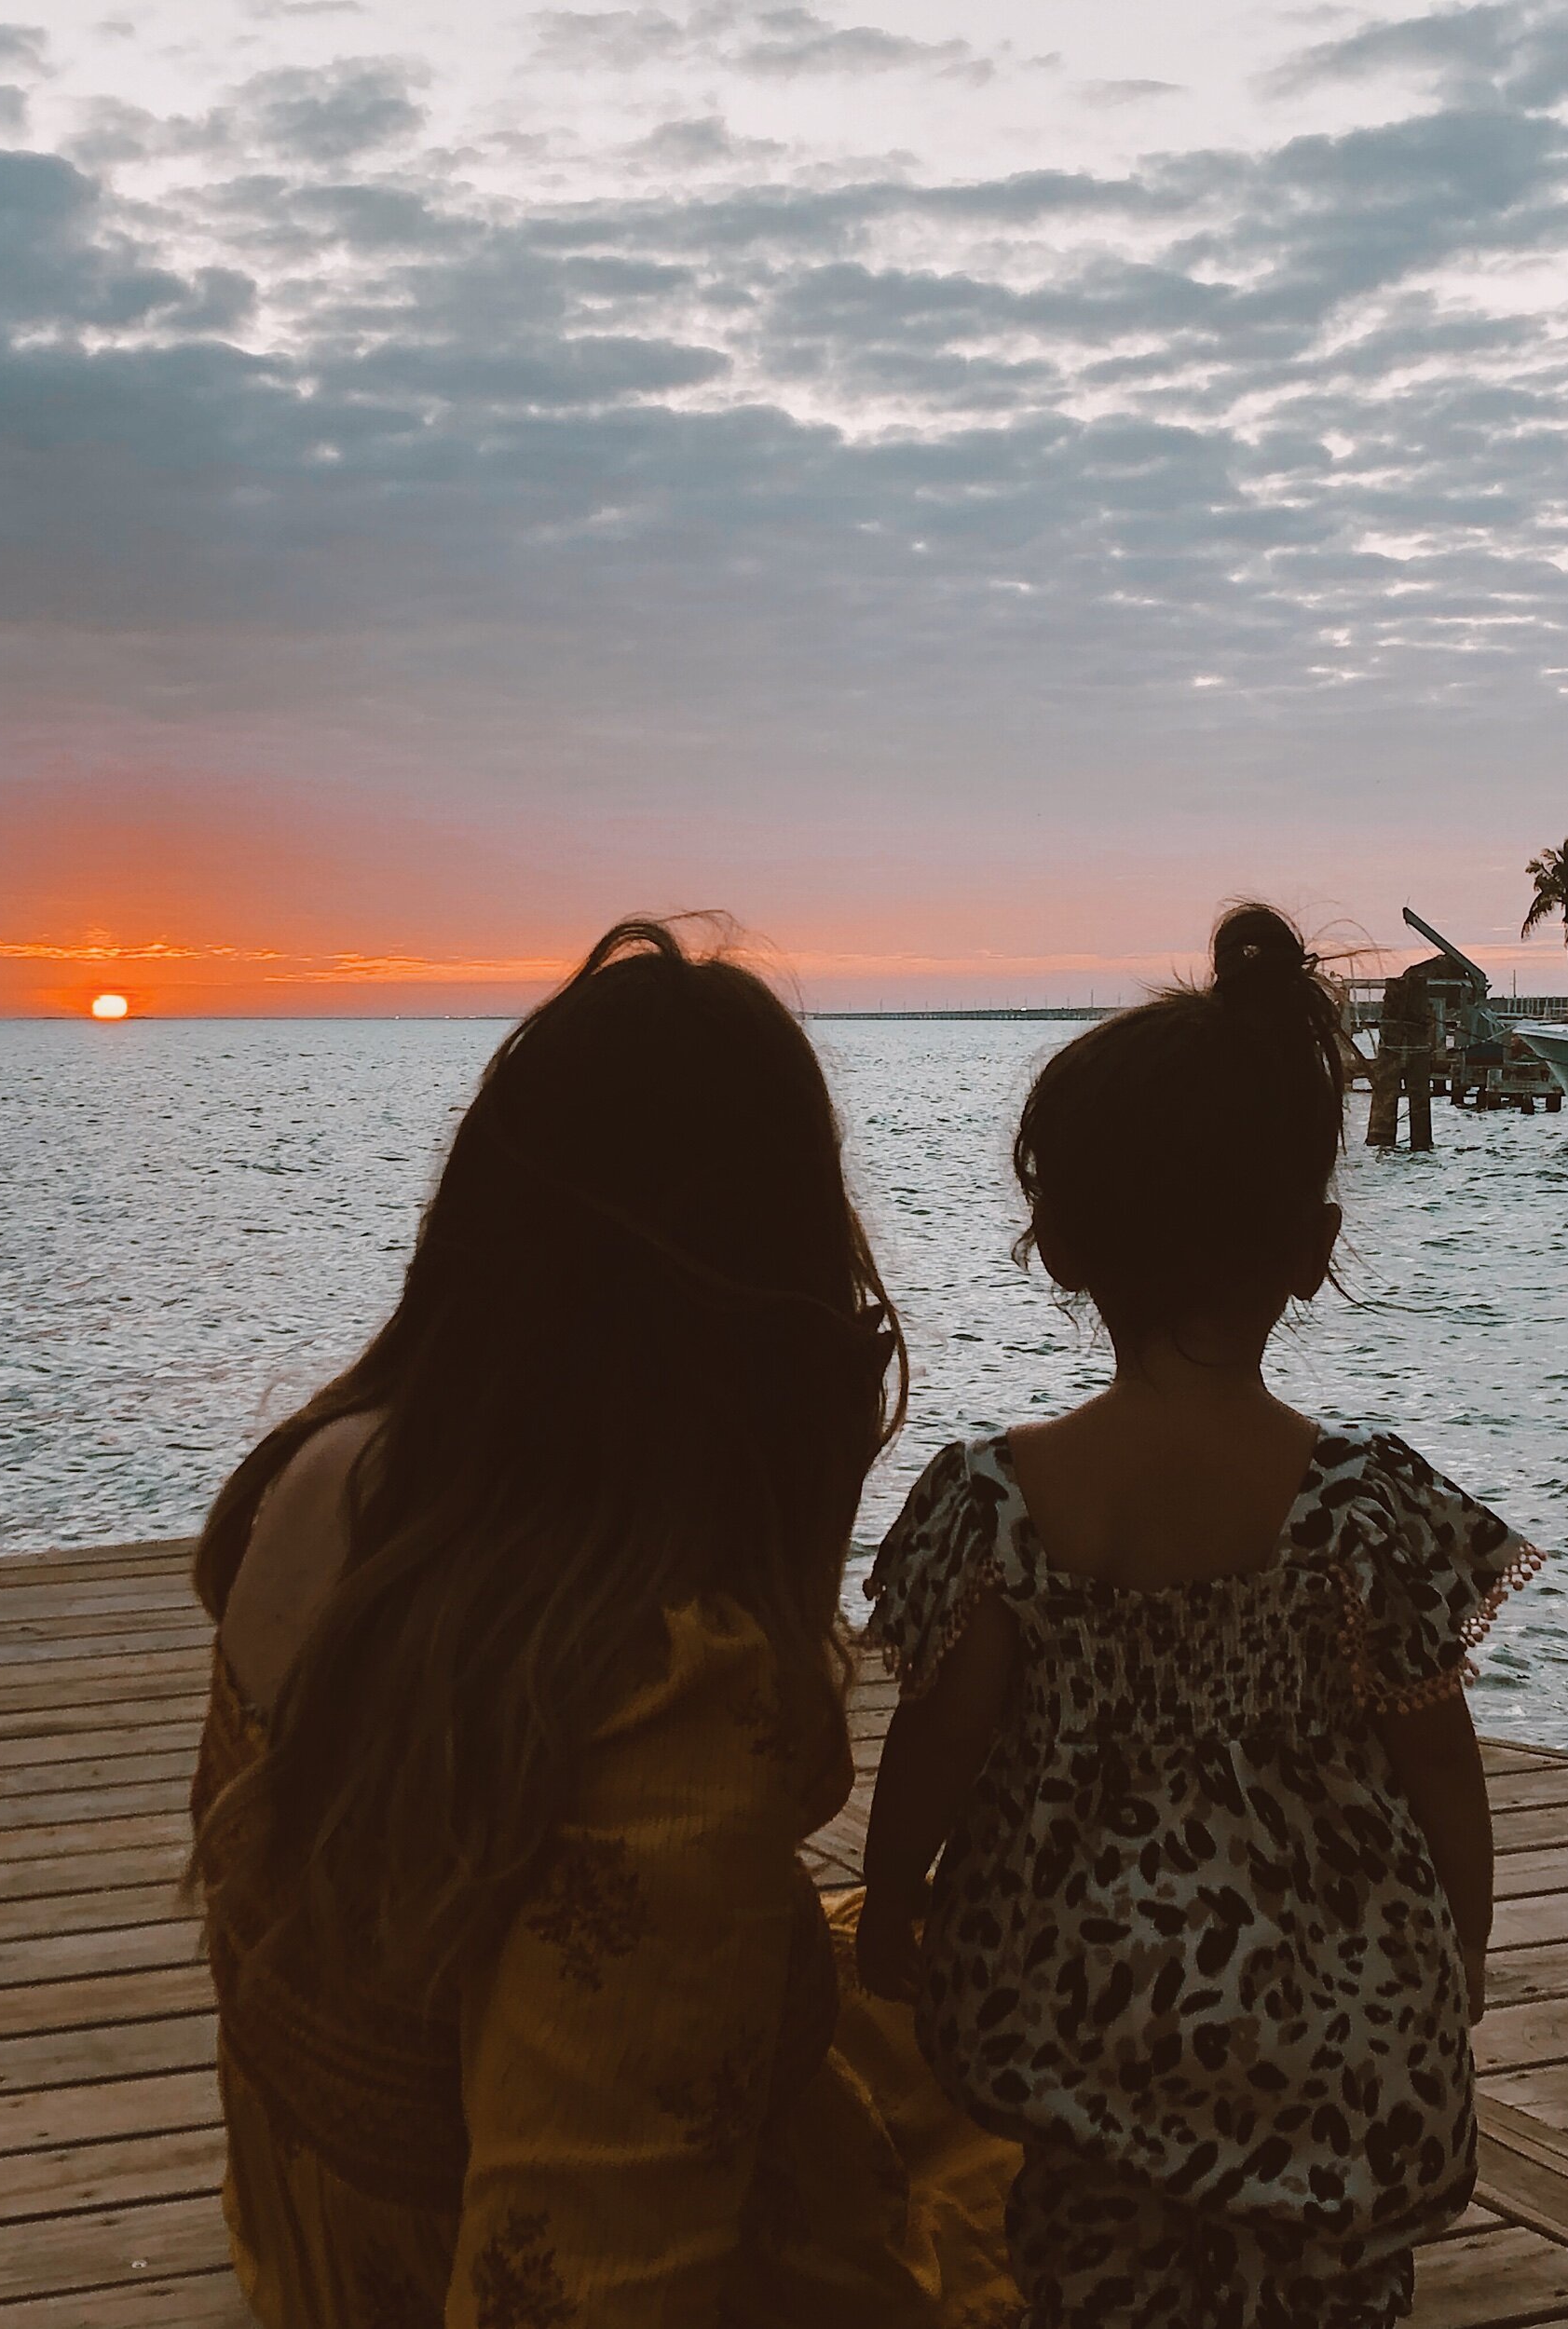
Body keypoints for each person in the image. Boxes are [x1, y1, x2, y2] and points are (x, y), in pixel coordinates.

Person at [188, 919, 1021, 2328]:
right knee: (1064, 2107)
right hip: (470, 2267)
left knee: (912, 1982)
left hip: (320, 2252)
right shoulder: (660, 1676)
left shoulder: (325, 1476)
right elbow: (581, 2276)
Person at [855, 903, 1546, 2329]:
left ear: (1056, 1247)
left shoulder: (997, 1508)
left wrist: (894, 1907)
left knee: (1089, 2274)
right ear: (1313, 1247)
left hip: (1078, 2028)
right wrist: (1456, 1949)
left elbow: (938, 1745)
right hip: (1334, 2042)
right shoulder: (1365, 1512)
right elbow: (1439, 1767)